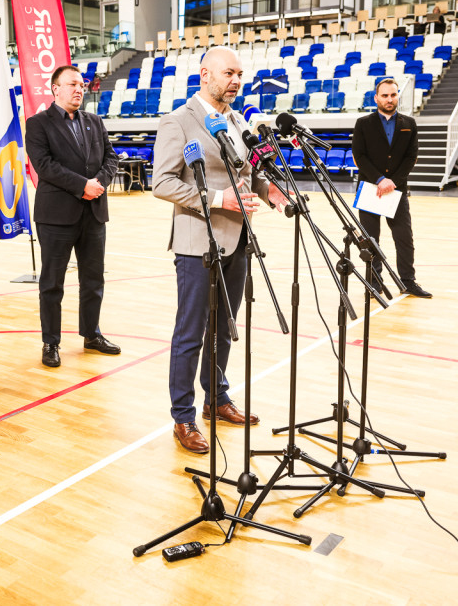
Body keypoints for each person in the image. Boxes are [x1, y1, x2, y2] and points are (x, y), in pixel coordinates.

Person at [152, 46, 291, 454]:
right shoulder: (178, 121)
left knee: (225, 329)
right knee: (191, 333)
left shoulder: (237, 121)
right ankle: (183, 416)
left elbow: (247, 176)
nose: (235, 81)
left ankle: (217, 397)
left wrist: (271, 193)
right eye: (228, 73)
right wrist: (216, 199)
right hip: (198, 242)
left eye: (239, 75)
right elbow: (161, 183)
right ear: (205, 74)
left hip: (239, 240)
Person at [25, 65, 120, 368]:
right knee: (52, 283)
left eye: (81, 85)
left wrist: (98, 185)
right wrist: (83, 186)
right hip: (56, 216)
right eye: (72, 84)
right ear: (55, 89)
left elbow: (111, 158)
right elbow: (44, 166)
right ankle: (50, 342)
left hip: (93, 213)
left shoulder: (94, 121)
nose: (79, 89)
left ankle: (91, 334)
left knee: (93, 279)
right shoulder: (38, 124)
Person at [351, 77, 432, 299]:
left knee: (404, 237)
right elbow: (360, 156)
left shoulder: (409, 124)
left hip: (397, 189)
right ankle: (374, 284)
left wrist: (392, 181)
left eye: (393, 95)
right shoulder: (363, 123)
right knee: (370, 239)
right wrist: (379, 179)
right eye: (385, 95)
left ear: (398, 96)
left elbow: (411, 157)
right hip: (370, 189)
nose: (389, 99)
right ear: (376, 98)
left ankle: (408, 281)